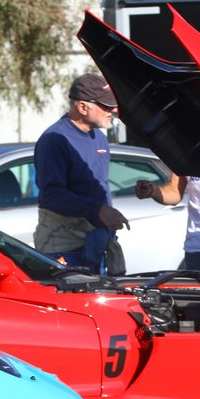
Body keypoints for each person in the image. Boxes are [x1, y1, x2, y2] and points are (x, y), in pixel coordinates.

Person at [33, 73, 128, 275]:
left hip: (96, 243)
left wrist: (106, 219)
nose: (114, 110)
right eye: (106, 106)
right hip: (64, 247)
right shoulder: (55, 140)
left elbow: (100, 186)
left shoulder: (100, 138)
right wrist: (99, 210)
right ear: (83, 107)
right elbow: (52, 195)